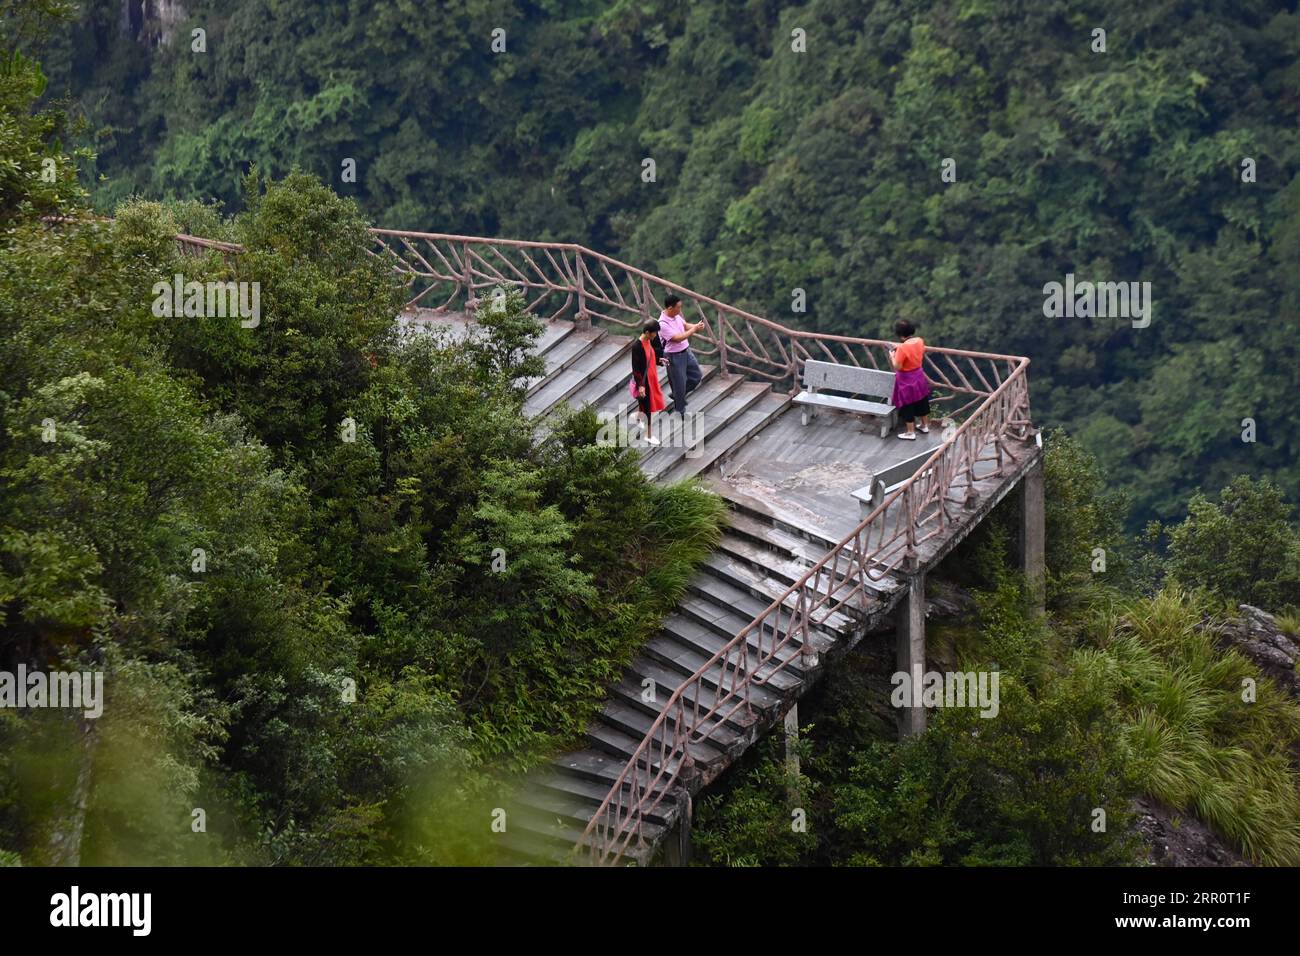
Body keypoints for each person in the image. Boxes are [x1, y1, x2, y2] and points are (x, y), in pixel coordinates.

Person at [656, 295, 704, 416]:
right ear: (670, 308)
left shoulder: (676, 316)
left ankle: (677, 396)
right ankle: (680, 412)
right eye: (678, 307)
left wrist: (696, 326)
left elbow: (684, 325)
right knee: (679, 384)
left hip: (686, 352)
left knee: (696, 376)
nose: (680, 310)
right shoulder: (662, 324)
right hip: (673, 356)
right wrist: (693, 331)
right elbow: (677, 338)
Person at [889, 320, 932, 440]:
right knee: (921, 399)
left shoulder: (902, 348)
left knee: (907, 403)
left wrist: (892, 356)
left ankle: (910, 432)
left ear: (900, 335)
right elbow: (915, 351)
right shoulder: (920, 341)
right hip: (918, 375)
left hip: (906, 378)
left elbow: (897, 366)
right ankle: (924, 425)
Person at [630, 319, 667, 445]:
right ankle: (648, 435)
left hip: (651, 379)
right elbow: (636, 369)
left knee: (645, 404)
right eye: (654, 333)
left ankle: (637, 417)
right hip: (644, 382)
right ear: (646, 332)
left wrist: (659, 360)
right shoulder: (637, 346)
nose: (655, 335)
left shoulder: (648, 342)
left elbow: (649, 357)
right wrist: (641, 386)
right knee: (648, 407)